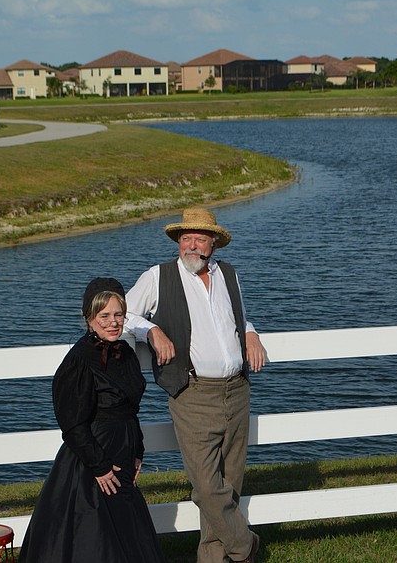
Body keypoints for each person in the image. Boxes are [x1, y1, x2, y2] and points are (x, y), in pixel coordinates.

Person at [125, 207, 266, 563]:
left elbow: (238, 316)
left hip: (237, 390)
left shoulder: (229, 275)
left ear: (213, 243)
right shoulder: (159, 276)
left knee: (229, 485)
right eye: (185, 238)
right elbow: (123, 312)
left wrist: (250, 333)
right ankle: (246, 546)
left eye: (199, 238)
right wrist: (151, 330)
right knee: (207, 487)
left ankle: (213, 558)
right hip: (192, 393)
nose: (190, 245)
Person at [18, 277, 165, 563]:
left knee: (127, 531)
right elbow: (72, 423)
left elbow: (128, 408)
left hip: (123, 451)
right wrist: (98, 466)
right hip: (92, 458)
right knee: (95, 534)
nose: (113, 323)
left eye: (118, 315)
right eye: (104, 316)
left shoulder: (126, 354)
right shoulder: (79, 360)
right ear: (89, 318)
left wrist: (137, 452)